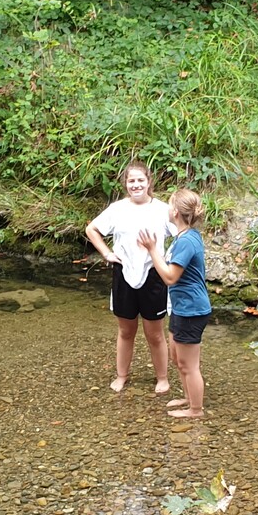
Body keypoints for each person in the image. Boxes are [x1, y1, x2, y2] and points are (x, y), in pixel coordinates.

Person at [85, 159, 172, 394]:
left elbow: (183, 231)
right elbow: (91, 229)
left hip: (153, 274)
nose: (136, 185)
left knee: (155, 333)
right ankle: (121, 376)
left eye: (140, 180)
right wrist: (106, 253)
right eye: (131, 181)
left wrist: (172, 261)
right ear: (125, 183)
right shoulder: (117, 209)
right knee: (126, 331)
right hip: (123, 272)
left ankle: (162, 378)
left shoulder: (162, 209)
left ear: (149, 182)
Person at [141, 187, 210, 419]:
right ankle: (189, 398)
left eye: (170, 204)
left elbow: (170, 277)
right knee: (177, 358)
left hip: (192, 309)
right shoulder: (183, 236)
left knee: (189, 364)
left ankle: (196, 410)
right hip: (182, 307)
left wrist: (152, 250)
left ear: (176, 212)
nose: (168, 208)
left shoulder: (187, 241)